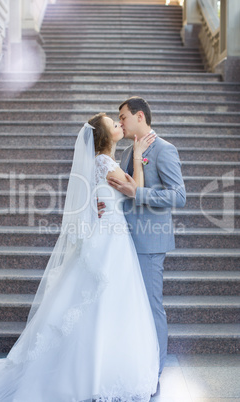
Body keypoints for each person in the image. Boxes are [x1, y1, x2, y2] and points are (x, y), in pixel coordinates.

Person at [0, 113, 160, 401]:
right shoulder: (105, 163)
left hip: (111, 235)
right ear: (104, 136)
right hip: (111, 239)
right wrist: (137, 155)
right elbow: (135, 190)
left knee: (103, 302)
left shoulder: (101, 163)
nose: (119, 125)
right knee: (104, 301)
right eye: (114, 124)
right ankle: (92, 370)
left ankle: (95, 365)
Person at [99, 97, 186, 376]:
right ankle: (137, 362)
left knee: (151, 304)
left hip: (150, 241)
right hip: (124, 241)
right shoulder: (127, 153)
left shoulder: (164, 149)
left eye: (122, 117)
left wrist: (138, 193)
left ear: (139, 116)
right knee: (132, 305)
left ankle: (156, 367)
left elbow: (178, 196)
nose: (120, 122)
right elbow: (122, 191)